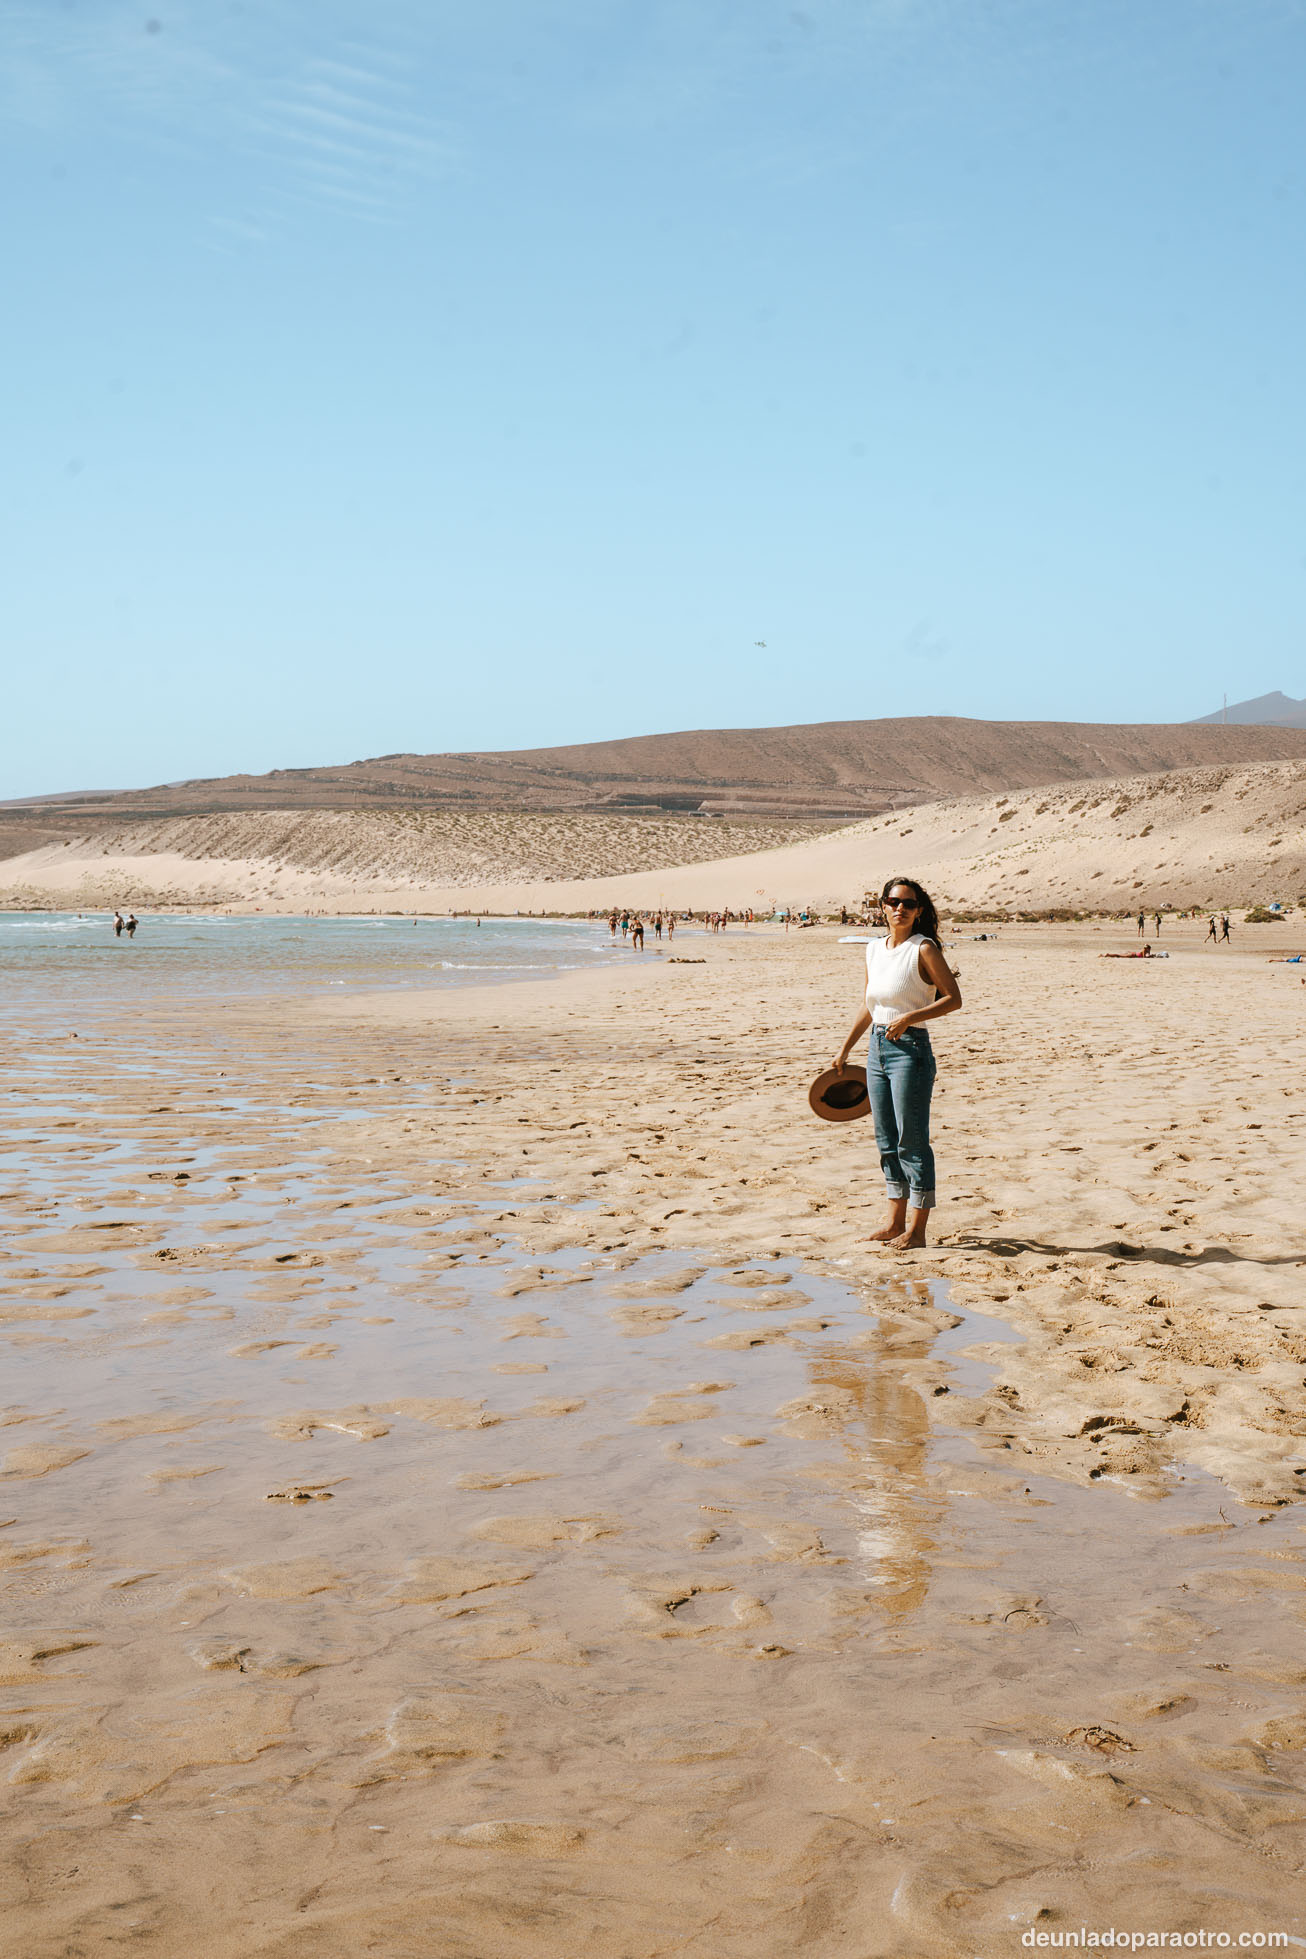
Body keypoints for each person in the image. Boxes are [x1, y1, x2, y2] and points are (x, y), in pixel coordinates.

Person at [833, 876, 962, 1250]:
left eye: (908, 903)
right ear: (882, 907)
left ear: (919, 910)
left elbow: (953, 999)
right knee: (886, 1139)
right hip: (876, 1048)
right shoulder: (874, 949)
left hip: (911, 1050)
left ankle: (918, 1231)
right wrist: (845, 1048)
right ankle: (893, 1222)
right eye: (892, 902)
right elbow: (869, 1004)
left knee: (912, 1141)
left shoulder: (924, 949)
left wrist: (908, 1018)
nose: (899, 908)